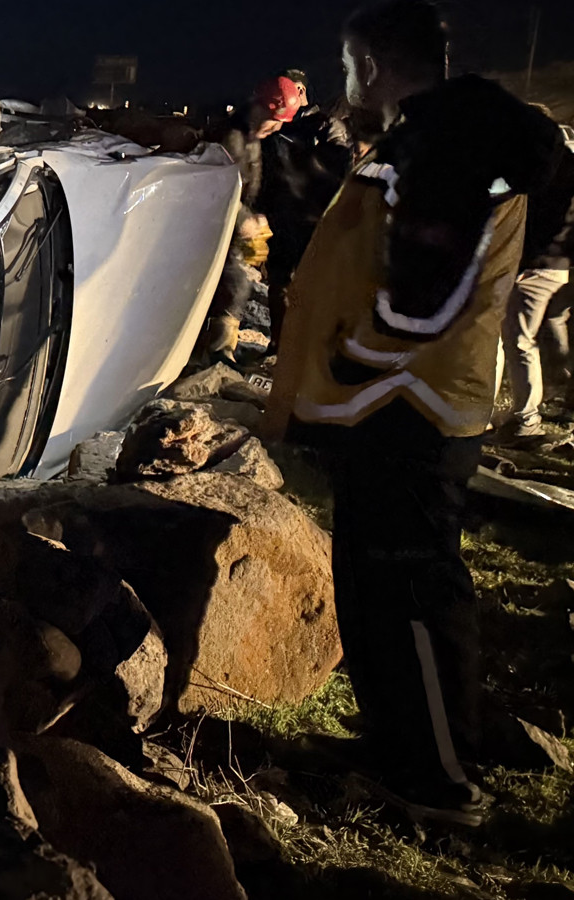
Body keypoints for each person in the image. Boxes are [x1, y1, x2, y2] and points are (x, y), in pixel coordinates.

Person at [265, 0, 564, 827]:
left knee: (413, 592)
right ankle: (399, 748)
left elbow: (430, 274)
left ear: (372, 60)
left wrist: (364, 350)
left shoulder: (451, 135)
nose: (346, 79)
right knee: (375, 588)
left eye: (349, 62)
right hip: (389, 402)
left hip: (410, 404)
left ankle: (439, 781)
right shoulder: (439, 133)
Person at [199, 75, 307, 365]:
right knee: (233, 282)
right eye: (273, 121)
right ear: (261, 107)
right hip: (212, 225)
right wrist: (244, 219)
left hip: (229, 223)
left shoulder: (251, 135)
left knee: (235, 282)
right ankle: (217, 352)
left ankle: (214, 347)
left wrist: (254, 214)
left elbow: (247, 184)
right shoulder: (231, 137)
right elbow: (216, 186)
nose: (275, 129)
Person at [256, 72, 356, 353]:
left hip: (314, 219)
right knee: (279, 283)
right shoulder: (275, 128)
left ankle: (315, 348)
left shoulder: (325, 125)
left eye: (293, 87)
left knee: (314, 285)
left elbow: (340, 169)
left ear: (302, 90)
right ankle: (278, 344)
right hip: (283, 217)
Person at [499, 131, 574, 446]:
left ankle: (526, 421)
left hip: (539, 266)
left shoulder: (552, 173)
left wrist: (521, 264)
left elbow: (540, 222)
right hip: (561, 268)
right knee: (555, 333)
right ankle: (564, 397)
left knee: (519, 342)